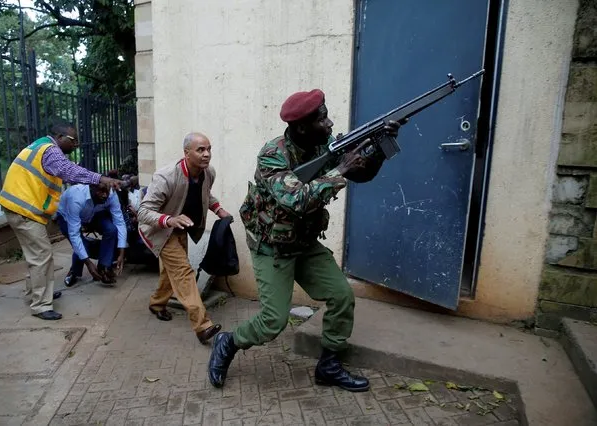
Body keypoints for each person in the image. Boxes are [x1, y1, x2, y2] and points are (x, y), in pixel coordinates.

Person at [207, 89, 403, 392]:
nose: (329, 123)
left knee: (342, 296)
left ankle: (329, 365)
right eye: (322, 118)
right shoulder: (273, 154)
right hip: (271, 247)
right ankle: (228, 342)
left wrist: (377, 149)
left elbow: (360, 175)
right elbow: (294, 199)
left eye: (326, 114)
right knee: (274, 321)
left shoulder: (324, 145)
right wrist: (340, 170)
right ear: (300, 127)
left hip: (305, 243)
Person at [0, 121, 122, 320]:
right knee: (42, 255)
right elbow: (70, 171)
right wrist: (100, 179)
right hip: (23, 210)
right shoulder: (50, 150)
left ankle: (36, 293)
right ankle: (41, 305)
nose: (76, 145)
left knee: (36, 256)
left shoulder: (41, 148)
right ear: (60, 137)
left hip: (20, 209)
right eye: (73, 140)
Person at [137, 132, 231, 344]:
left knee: (171, 272)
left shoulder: (208, 172)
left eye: (209, 149)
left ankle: (157, 304)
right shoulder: (166, 176)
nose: (207, 154)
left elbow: (206, 194)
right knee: (183, 272)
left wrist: (219, 210)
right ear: (186, 153)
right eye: (200, 150)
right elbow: (143, 211)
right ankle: (202, 325)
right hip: (160, 229)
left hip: (181, 228)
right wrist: (169, 220)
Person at [55, 182, 128, 287]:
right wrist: (88, 263)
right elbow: (74, 235)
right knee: (82, 244)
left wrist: (121, 253)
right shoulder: (76, 197)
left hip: (94, 213)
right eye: (101, 191)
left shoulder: (111, 194)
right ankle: (74, 271)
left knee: (111, 230)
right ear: (91, 188)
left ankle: (104, 267)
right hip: (66, 217)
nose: (105, 195)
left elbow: (119, 222)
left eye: (106, 191)